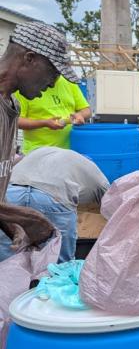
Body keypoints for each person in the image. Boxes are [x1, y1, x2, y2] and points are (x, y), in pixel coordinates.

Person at [0, 21, 78, 254]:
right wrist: (30, 217)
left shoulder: (11, 104)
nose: (53, 83)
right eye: (52, 71)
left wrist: (13, 225)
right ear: (29, 59)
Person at [0, 147, 109, 263]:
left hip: (11, 195)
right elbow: (111, 198)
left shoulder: (40, 151)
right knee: (59, 263)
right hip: (52, 198)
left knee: (8, 257)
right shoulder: (92, 168)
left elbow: (12, 165)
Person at [16, 74, 91, 154]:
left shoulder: (69, 81)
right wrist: (44, 123)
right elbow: (17, 121)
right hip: (37, 153)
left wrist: (80, 115)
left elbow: (86, 110)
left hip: (70, 152)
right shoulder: (24, 87)